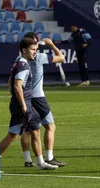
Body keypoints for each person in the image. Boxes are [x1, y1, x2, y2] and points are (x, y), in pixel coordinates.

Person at [0, 37, 58, 170]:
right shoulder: (23, 65)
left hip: (27, 104)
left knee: (36, 130)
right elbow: (17, 86)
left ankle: (40, 162)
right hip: (23, 105)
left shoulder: (20, 63)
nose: (35, 52)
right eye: (32, 50)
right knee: (13, 135)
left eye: (36, 50)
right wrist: (23, 104)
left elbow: (10, 82)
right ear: (24, 50)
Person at [19, 33, 67, 167]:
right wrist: (51, 45)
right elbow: (61, 58)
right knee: (50, 126)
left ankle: (28, 160)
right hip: (38, 97)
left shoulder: (19, 59)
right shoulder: (40, 57)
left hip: (25, 97)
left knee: (28, 130)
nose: (36, 48)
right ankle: (49, 157)